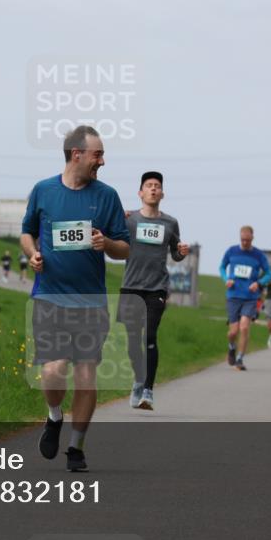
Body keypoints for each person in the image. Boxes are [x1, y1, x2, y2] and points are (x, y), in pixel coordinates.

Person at [21, 125, 129, 472]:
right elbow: (27, 232)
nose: (103, 161)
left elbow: (124, 248)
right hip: (50, 297)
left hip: (90, 301)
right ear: (76, 154)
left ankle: (76, 448)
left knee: (85, 377)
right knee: (53, 370)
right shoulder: (43, 191)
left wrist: (107, 244)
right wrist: (32, 254)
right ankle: (54, 416)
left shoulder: (107, 196)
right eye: (98, 154)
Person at [117, 171, 189, 411]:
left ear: (162, 193)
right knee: (132, 341)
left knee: (149, 337)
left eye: (157, 186)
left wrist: (181, 251)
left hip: (156, 287)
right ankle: (138, 379)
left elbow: (176, 254)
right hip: (130, 286)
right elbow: (110, 235)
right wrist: (116, 219)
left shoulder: (170, 223)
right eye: (149, 185)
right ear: (140, 192)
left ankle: (148, 389)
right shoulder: (128, 219)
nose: (153, 189)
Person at [219, 226, 271, 371]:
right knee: (233, 332)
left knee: (244, 327)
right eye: (242, 240)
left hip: (250, 297)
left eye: (247, 240)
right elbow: (222, 267)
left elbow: (269, 273)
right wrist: (226, 279)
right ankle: (231, 347)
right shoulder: (231, 251)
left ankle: (240, 358)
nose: (245, 242)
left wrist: (259, 283)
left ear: (252, 238)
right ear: (239, 237)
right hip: (233, 296)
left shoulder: (258, 255)